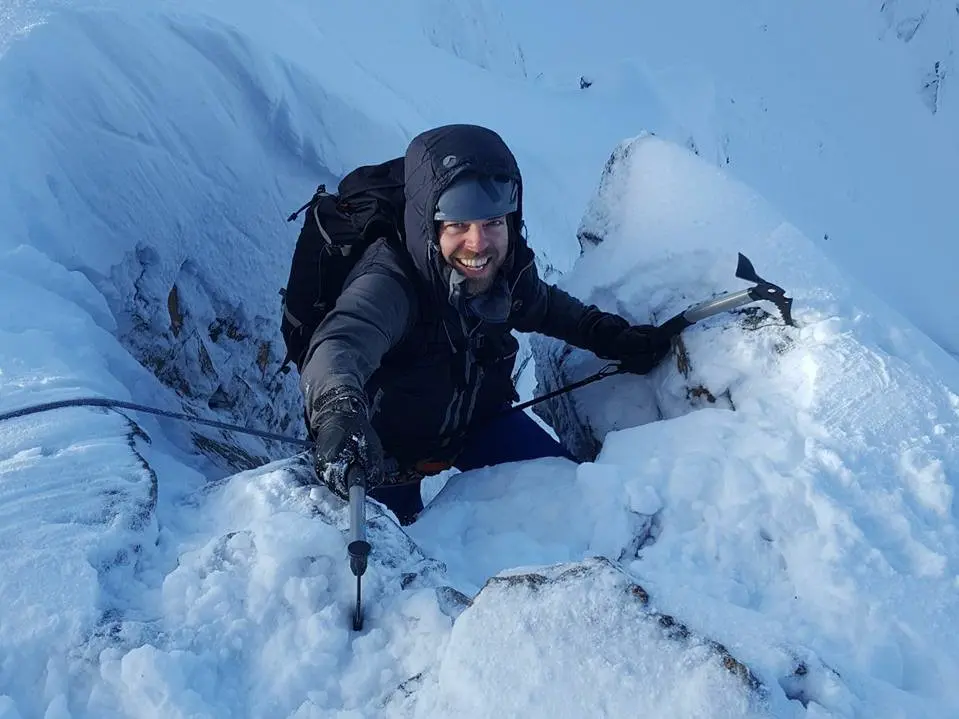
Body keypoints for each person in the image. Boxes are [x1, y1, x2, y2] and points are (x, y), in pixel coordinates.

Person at [302, 124, 670, 525]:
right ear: (430, 227)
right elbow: (341, 343)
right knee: (398, 544)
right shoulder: (390, 281)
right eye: (457, 224)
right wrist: (338, 411)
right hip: (385, 449)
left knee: (572, 499)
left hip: (479, 423)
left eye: (493, 221)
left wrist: (610, 335)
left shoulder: (504, 265)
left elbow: (545, 307)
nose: (478, 244)